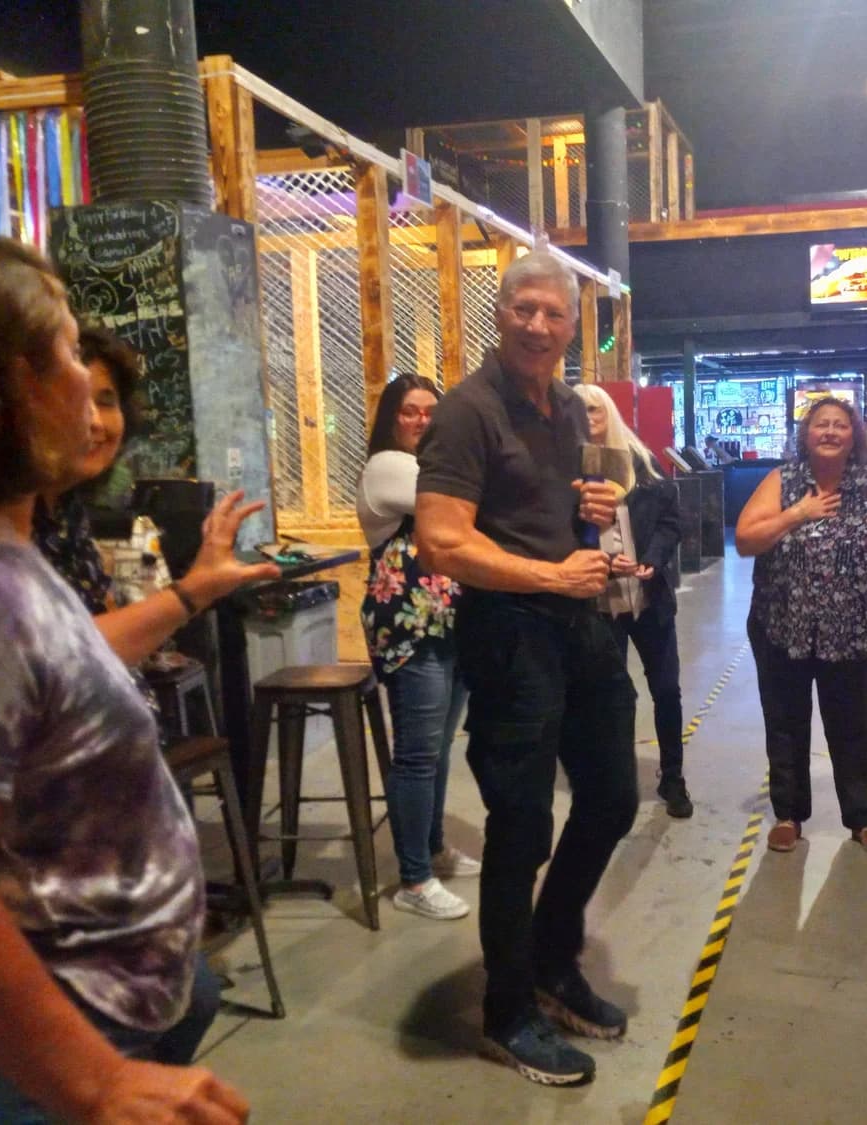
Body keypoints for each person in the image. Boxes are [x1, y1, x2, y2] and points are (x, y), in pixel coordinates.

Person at [0, 234, 248, 1122]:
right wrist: (93, 1078)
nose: (89, 386)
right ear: (2, 386)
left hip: (92, 1015)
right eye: (64, 350)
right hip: (5, 1062)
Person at [415, 251, 637, 1087]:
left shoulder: (570, 407)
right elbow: (440, 541)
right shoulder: (467, 411)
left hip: (581, 625)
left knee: (613, 796)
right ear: (500, 313)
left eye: (554, 313)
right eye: (525, 309)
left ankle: (549, 956)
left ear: (573, 326)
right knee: (520, 825)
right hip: (511, 633)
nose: (539, 326)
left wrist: (593, 507)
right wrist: (548, 574)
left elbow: (560, 506)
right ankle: (507, 1012)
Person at [34, 324, 278, 669]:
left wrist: (199, 585)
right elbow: (59, 659)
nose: (95, 421)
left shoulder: (65, 512)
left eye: (106, 401)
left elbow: (101, 641)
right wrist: (194, 590)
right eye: (74, 401)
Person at [735, 396, 867, 858]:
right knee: (785, 723)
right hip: (781, 626)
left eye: (840, 425)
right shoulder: (783, 481)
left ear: (855, 437)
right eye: (821, 424)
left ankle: (864, 818)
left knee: (850, 725)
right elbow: (745, 540)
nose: (831, 432)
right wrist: (796, 514)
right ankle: (788, 816)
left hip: (848, 630)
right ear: (806, 434)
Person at [358, 372, 480, 921]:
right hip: (410, 628)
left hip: (449, 625)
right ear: (391, 418)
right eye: (410, 411)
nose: (421, 421)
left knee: (438, 749)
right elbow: (454, 504)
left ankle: (431, 849)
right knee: (416, 755)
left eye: (431, 411)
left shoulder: (432, 467)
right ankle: (413, 879)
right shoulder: (388, 466)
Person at [575, 384, 692, 818]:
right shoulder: (566, 469)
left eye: (594, 409)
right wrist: (602, 562)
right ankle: (615, 780)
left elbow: (670, 522)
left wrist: (651, 561)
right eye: (578, 410)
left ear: (608, 412)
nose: (587, 418)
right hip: (597, 603)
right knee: (611, 697)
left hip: (649, 598)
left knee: (666, 689)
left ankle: (673, 778)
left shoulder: (641, 462)